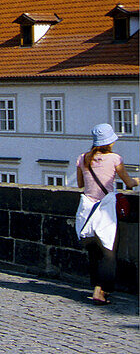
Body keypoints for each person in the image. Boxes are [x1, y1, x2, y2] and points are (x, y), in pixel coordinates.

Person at [75, 123, 137, 304]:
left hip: (86, 211)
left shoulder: (83, 158)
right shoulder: (115, 159)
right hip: (104, 210)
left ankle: (96, 287)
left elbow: (80, 184)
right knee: (109, 253)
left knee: (94, 253)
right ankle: (100, 291)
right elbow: (129, 183)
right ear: (110, 142)